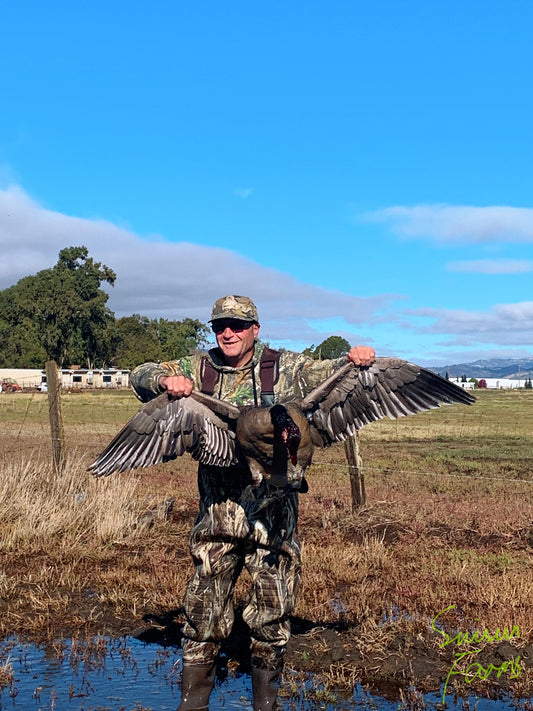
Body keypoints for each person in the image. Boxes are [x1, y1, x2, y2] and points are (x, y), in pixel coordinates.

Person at [130, 295, 375, 711]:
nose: (228, 332)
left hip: (275, 512)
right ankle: (193, 703)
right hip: (218, 511)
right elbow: (140, 374)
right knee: (203, 607)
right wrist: (163, 382)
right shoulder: (197, 367)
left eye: (238, 325)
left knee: (272, 609)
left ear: (255, 330)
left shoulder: (286, 367)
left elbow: (335, 370)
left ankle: (266, 703)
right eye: (220, 325)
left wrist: (358, 356)